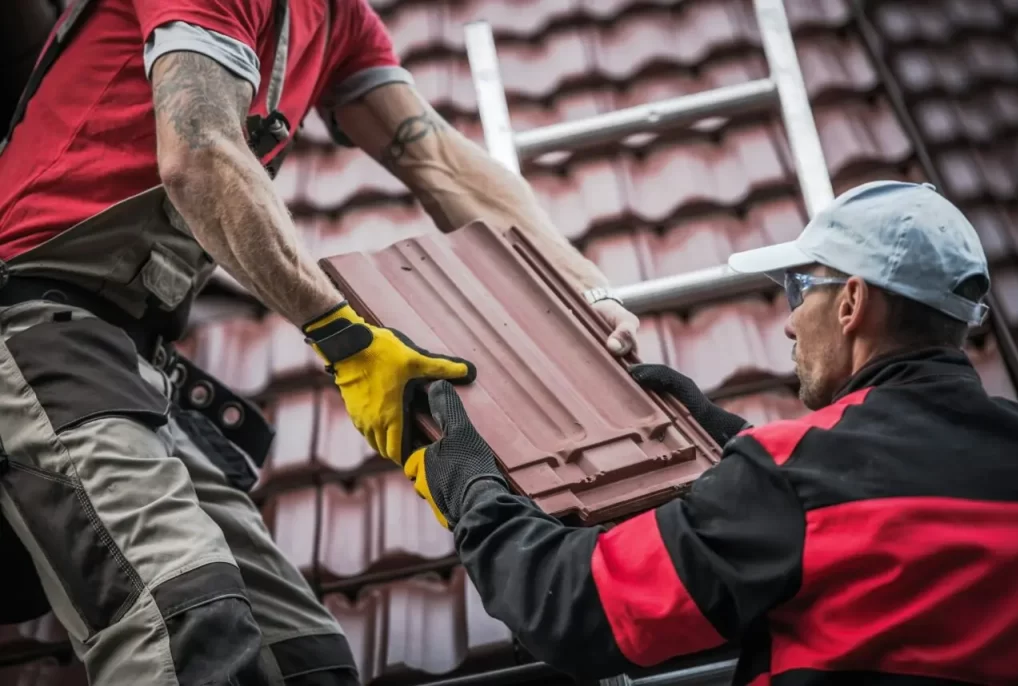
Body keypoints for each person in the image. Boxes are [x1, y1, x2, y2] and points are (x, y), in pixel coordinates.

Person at [0, 0, 640, 684]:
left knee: (306, 659)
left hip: (128, 361)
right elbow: (199, 154)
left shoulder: (340, 22)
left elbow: (439, 161)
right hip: (35, 328)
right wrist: (347, 337)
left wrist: (584, 291)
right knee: (186, 622)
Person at [404, 180, 1018, 685]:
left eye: (798, 287)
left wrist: (475, 490)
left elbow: (574, 607)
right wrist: (736, 449)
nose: (788, 323)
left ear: (851, 304)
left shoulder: (791, 481)